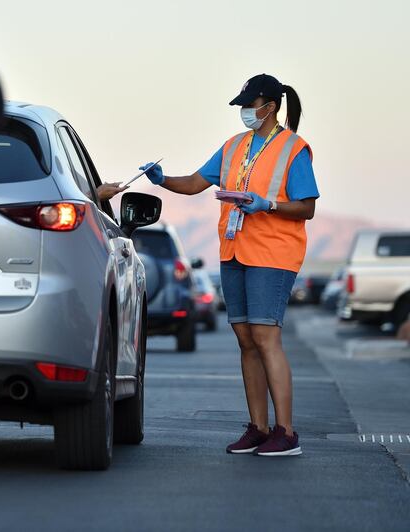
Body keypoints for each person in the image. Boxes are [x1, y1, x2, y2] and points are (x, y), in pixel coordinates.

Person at [139, 74, 319, 457]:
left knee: (266, 337)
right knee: (245, 339)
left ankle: (285, 433)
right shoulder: (234, 146)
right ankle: (258, 427)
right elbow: (193, 183)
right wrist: (161, 180)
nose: (243, 112)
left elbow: (307, 207)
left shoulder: (293, 148)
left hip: (273, 254)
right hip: (235, 251)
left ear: (269, 107)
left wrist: (266, 204)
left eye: (248, 105)